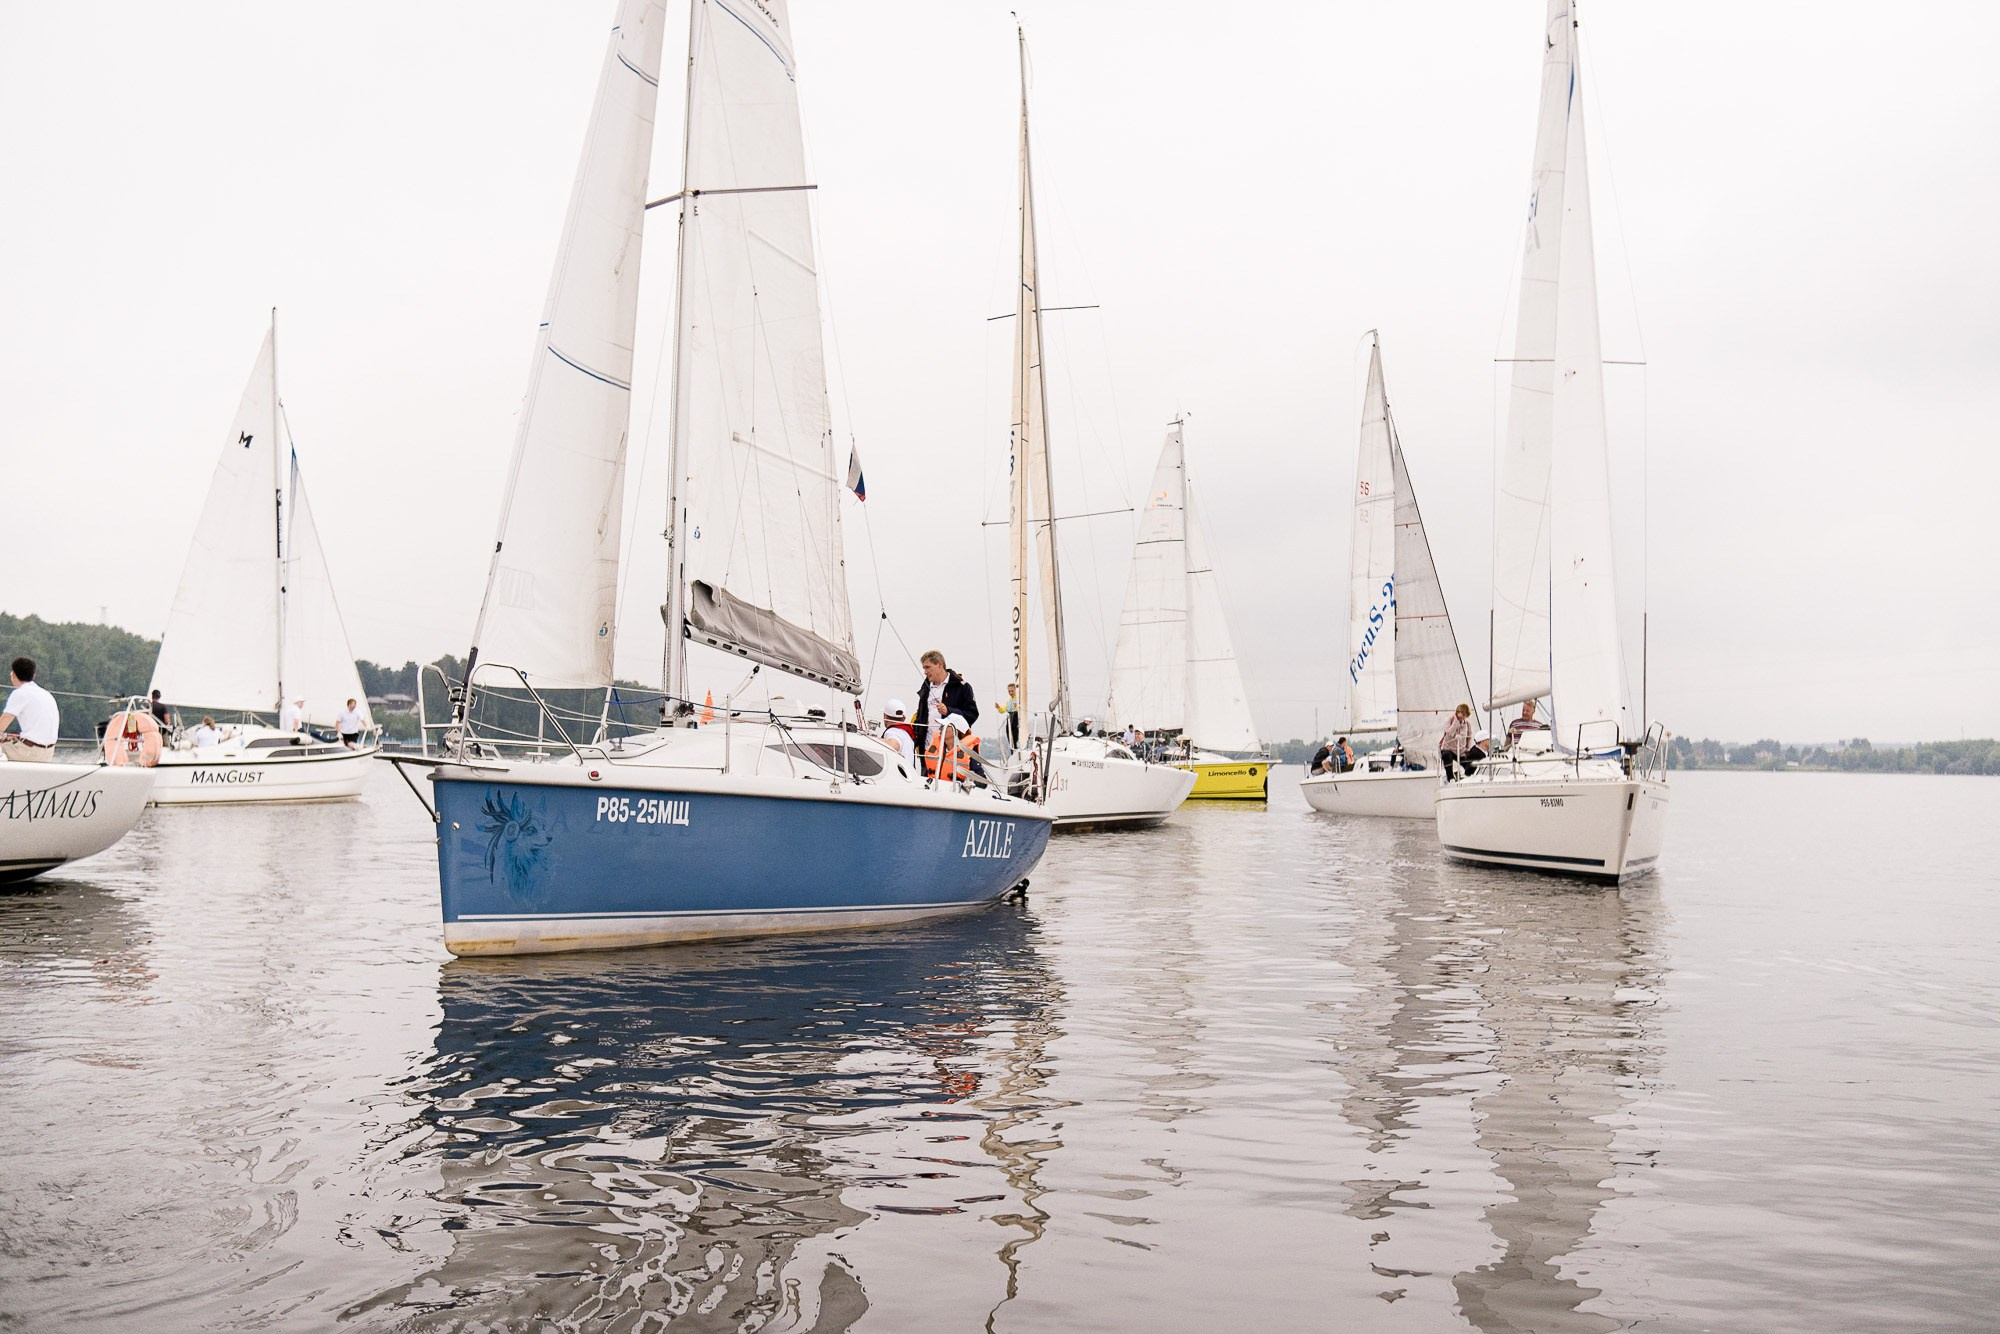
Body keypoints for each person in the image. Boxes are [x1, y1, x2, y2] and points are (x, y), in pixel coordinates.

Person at [0, 657, 59, 763]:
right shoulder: (46, 694)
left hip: (29, 753)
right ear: (33, 676)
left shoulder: (20, 693)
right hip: (48, 753)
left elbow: (2, 725)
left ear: (12, 675)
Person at [1440, 703, 1474, 780]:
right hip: (1448, 748)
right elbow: (1449, 732)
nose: (1464, 717)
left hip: (1461, 751)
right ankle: (1450, 778)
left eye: (1466, 715)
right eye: (1463, 714)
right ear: (1458, 712)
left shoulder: (1467, 723)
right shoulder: (1449, 720)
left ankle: (1468, 778)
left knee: (1470, 765)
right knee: (1446, 756)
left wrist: (1468, 749)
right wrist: (1456, 722)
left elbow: (1469, 737)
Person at [880, 699, 916, 770]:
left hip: (897, 775)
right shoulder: (907, 734)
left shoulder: (892, 731)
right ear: (904, 718)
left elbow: (894, 745)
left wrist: (871, 738)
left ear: (885, 717)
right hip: (908, 775)